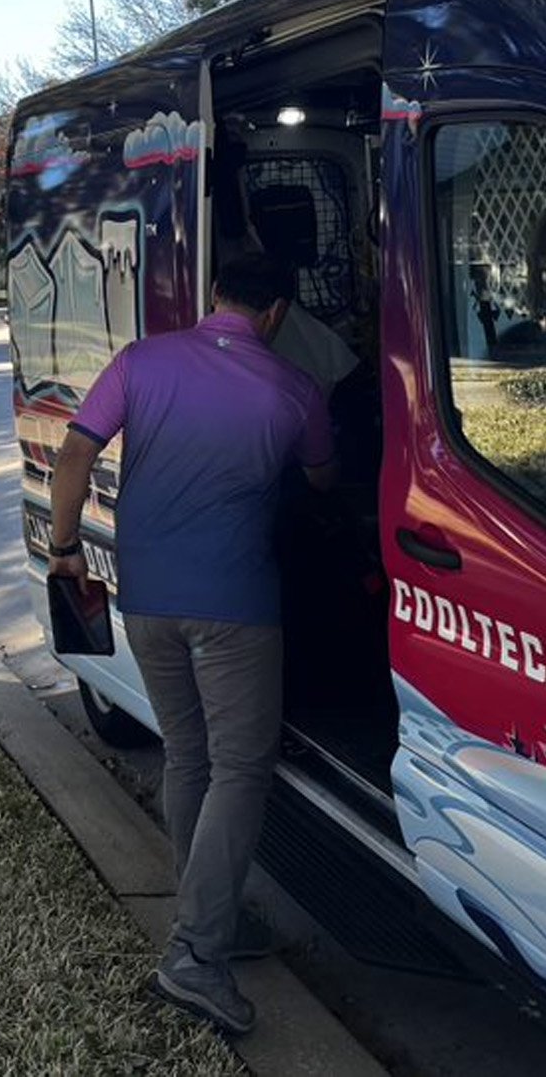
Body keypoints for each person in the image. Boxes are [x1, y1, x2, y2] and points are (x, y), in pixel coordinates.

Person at [47, 253, 337, 1035]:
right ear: (275, 313)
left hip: (148, 599)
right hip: (236, 606)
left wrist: (65, 546)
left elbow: (76, 451)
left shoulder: (141, 360)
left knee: (188, 755)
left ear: (213, 296)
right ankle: (197, 957)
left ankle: (213, 918)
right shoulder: (295, 389)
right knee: (241, 768)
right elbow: (322, 479)